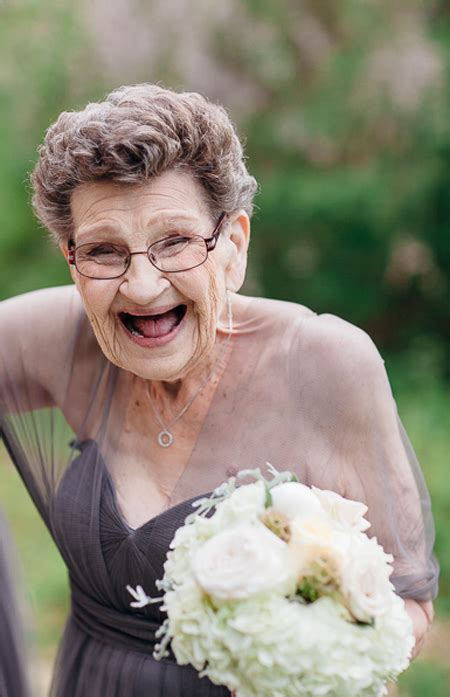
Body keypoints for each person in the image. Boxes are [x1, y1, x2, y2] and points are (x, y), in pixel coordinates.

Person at [0, 84, 438, 697]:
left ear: (233, 245)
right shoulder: (62, 339)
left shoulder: (326, 363)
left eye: (175, 241)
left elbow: (405, 608)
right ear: (73, 262)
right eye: (105, 251)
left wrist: (301, 664)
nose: (143, 285)